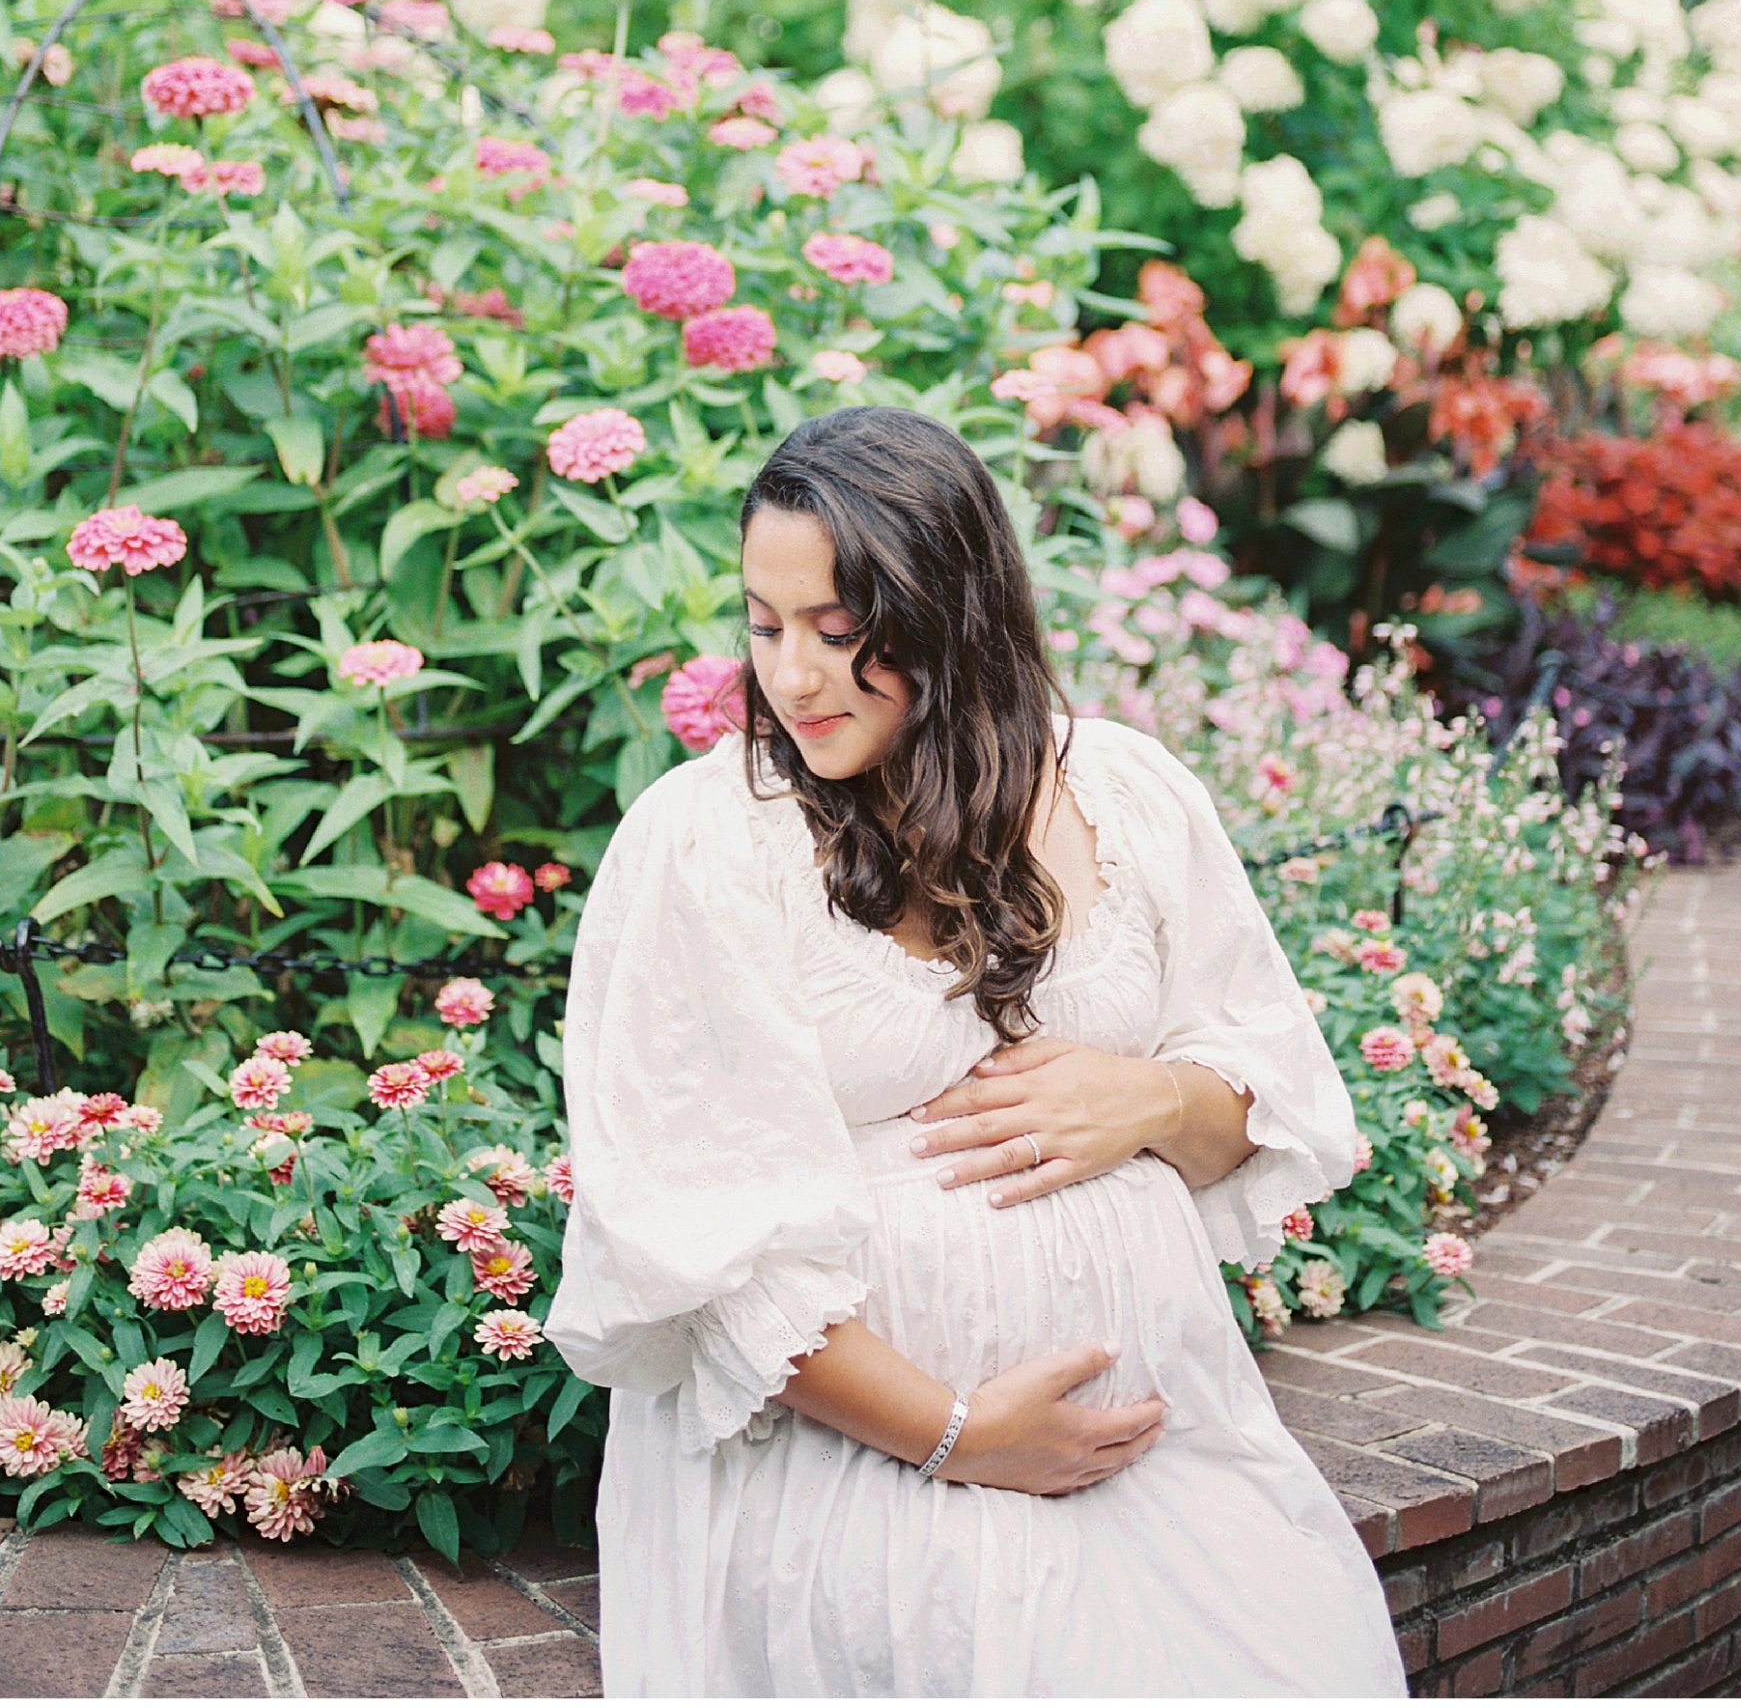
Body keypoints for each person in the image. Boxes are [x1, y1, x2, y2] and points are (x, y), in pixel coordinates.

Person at [545, 408, 1409, 1698]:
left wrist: (1155, 1097)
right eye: (765, 624)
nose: (792, 679)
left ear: (955, 621)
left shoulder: (1126, 793)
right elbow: (702, 1248)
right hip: (843, 1458)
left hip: (1159, 1438)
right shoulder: (707, 845)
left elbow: (1261, 1108)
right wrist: (959, 1433)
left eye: (842, 635)